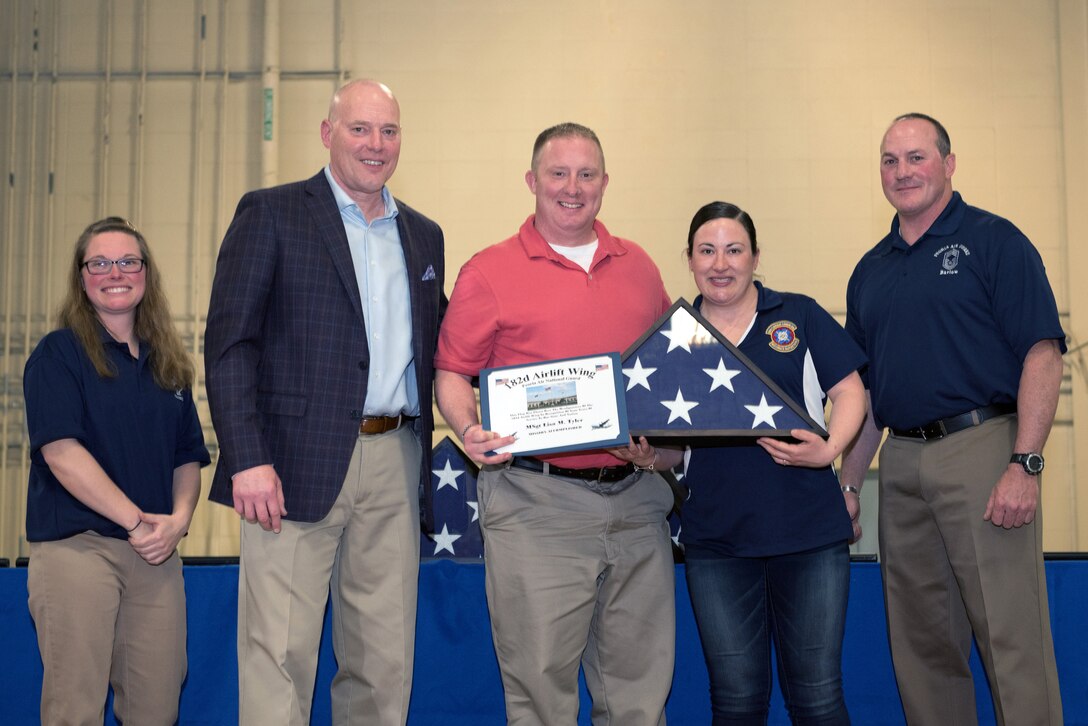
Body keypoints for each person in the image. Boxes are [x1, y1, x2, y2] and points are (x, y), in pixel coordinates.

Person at [204, 79, 445, 725]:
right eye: (360, 128)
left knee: (383, 660)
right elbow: (230, 344)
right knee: (279, 652)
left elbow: (448, 348)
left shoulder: (424, 236)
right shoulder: (273, 212)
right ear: (327, 132)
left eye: (388, 131)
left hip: (396, 459)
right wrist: (247, 457)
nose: (376, 144)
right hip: (288, 465)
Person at [435, 122, 677, 725]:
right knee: (541, 694)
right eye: (559, 173)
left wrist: (660, 452)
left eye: (587, 174)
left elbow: (669, 378)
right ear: (532, 181)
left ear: (604, 183)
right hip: (534, 502)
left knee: (639, 693)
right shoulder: (488, 271)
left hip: (636, 504)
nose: (573, 188)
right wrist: (470, 432)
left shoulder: (641, 267)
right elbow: (451, 375)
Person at [840, 113, 1065, 725]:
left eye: (916, 157)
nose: (902, 171)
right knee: (922, 645)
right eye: (890, 160)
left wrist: (1026, 463)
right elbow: (863, 395)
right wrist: (851, 482)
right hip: (902, 463)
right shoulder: (871, 270)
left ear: (948, 163)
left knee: (1010, 638)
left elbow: (1043, 355)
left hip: (984, 449)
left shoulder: (996, 242)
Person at [676, 201, 866, 725]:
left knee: (818, 697)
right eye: (707, 251)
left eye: (734, 250)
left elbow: (851, 393)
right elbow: (670, 444)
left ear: (755, 257)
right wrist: (648, 459)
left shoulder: (798, 314)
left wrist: (830, 449)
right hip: (716, 539)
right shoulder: (675, 336)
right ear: (689, 260)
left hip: (808, 532)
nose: (721, 263)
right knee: (736, 699)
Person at [23, 216, 210, 725]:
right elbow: (62, 453)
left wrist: (177, 522)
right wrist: (135, 521)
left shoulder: (168, 364)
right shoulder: (59, 354)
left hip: (156, 556)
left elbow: (187, 458)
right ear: (81, 277)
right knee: (75, 709)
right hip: (78, 551)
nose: (115, 272)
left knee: (158, 707)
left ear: (146, 272)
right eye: (99, 263)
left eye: (127, 261)